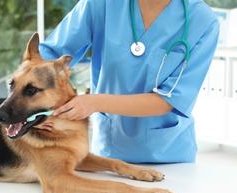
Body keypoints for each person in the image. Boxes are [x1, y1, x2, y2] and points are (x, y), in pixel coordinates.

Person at [39, 0, 220, 163]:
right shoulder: (101, 4)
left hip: (169, 157)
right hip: (109, 155)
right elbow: (45, 59)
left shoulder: (202, 21)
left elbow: (168, 100)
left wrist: (94, 102)